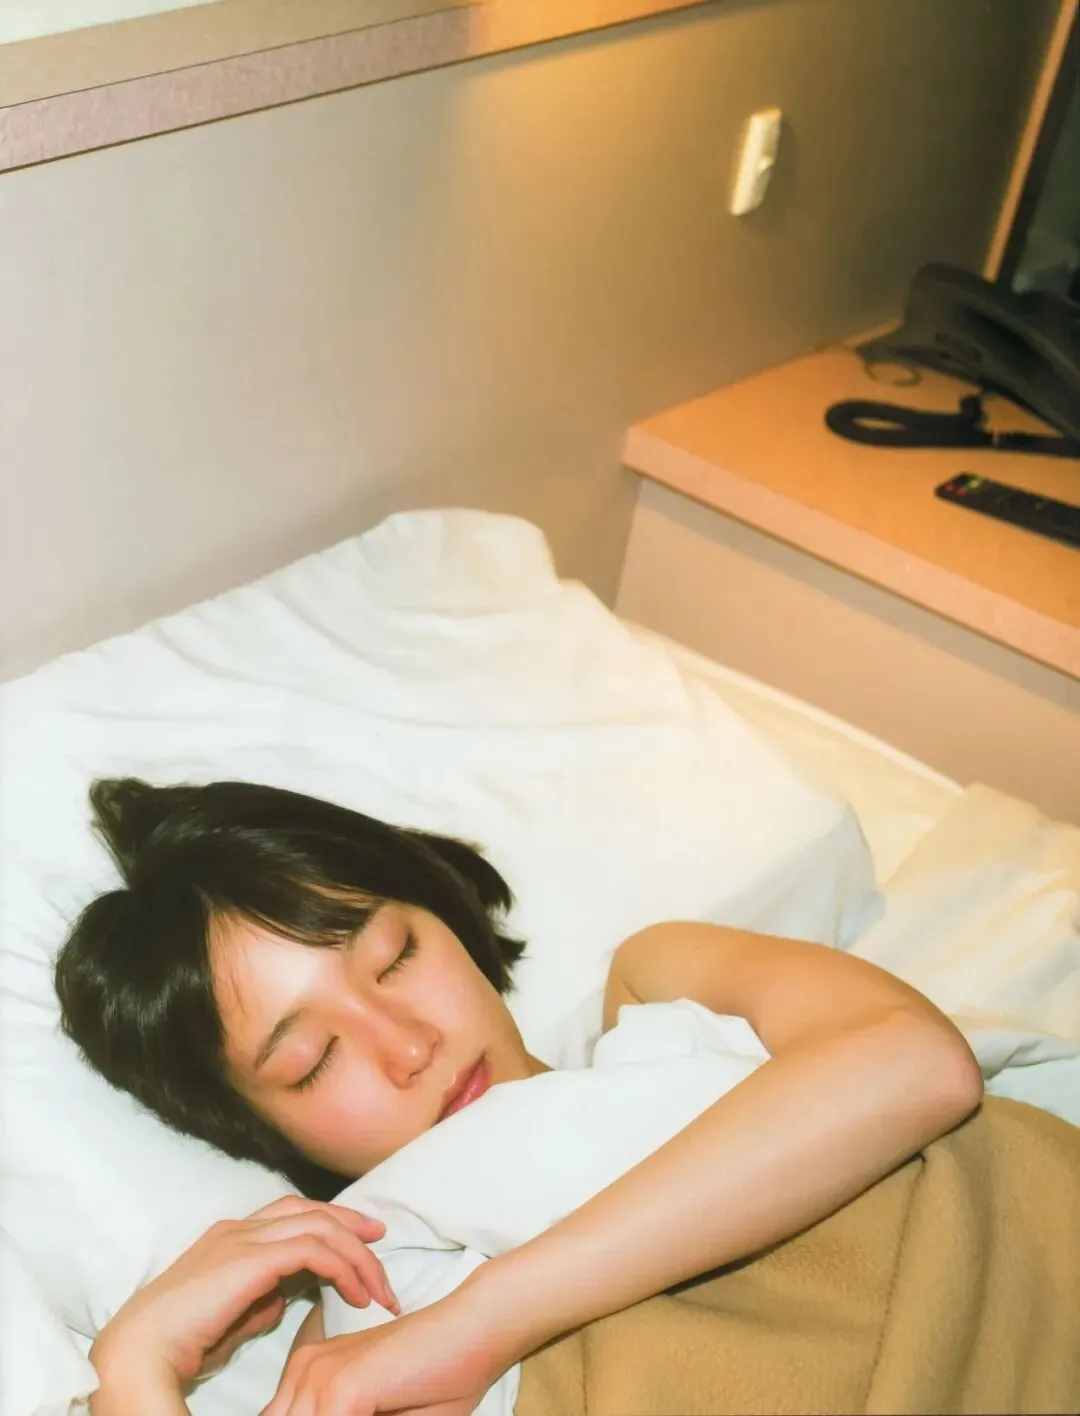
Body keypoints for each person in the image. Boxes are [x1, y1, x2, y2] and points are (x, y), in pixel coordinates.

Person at [55, 777, 983, 1416]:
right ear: (254, 1128)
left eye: (396, 957)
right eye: (313, 1060)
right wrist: (131, 1372)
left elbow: (916, 1065)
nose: (409, 1045)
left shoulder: (659, 988)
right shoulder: (364, 1320)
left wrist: (482, 1323)